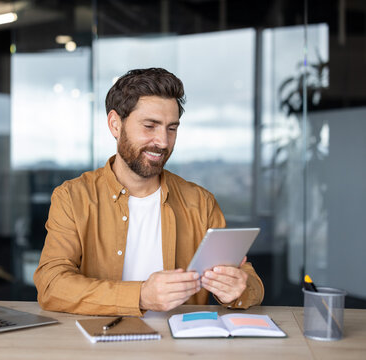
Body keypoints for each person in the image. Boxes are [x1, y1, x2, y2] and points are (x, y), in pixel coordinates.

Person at [33, 68, 264, 316]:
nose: (163, 141)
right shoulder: (72, 197)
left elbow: (249, 279)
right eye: (150, 126)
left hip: (183, 351)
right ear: (115, 124)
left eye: (171, 128)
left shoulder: (200, 202)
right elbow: (51, 284)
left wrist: (238, 288)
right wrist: (141, 295)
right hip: (101, 346)